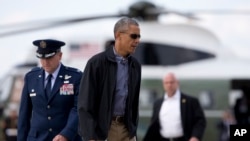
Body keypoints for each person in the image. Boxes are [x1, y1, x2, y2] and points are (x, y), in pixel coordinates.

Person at [78, 17, 141, 141]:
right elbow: (85, 103)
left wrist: (133, 130)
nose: (137, 41)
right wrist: (90, 136)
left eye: (139, 37)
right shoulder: (96, 63)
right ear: (118, 35)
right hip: (103, 131)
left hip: (127, 131)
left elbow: (134, 103)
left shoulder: (135, 65)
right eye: (134, 36)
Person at [17, 39, 82, 141]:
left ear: (60, 56)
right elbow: (24, 114)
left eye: (49, 57)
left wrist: (66, 134)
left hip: (66, 137)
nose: (45, 62)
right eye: (41, 58)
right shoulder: (31, 78)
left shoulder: (75, 77)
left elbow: (78, 108)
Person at [143, 72, 206, 141]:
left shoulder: (190, 101)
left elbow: (200, 121)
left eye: (171, 82)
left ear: (177, 83)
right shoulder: (158, 103)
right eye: (166, 83)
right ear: (163, 84)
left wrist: (195, 136)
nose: (169, 85)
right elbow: (154, 123)